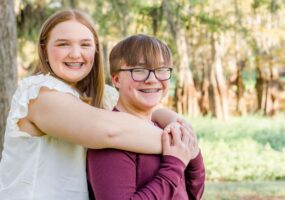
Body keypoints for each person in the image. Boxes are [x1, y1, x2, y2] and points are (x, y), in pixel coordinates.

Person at [0, 10, 197, 200]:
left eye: (85, 44)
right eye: (63, 44)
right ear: (44, 49)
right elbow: (110, 131)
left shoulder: (103, 97)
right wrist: (182, 145)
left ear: (95, 49)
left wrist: (170, 118)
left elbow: (144, 116)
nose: (75, 54)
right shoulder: (39, 93)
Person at [87, 34, 205, 200]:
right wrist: (174, 165)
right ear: (116, 79)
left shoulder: (161, 127)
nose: (152, 79)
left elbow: (193, 194)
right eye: (139, 71)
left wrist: (193, 153)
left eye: (161, 70)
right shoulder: (110, 138)